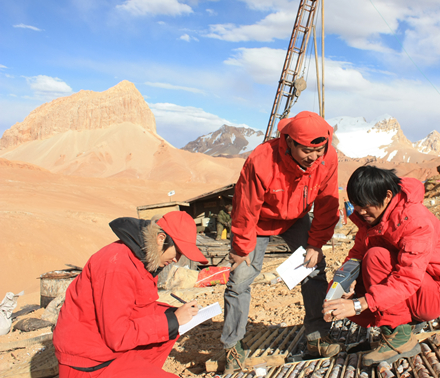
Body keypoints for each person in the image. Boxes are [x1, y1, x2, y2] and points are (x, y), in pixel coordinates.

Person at [222, 111, 340, 373]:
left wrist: (316, 244)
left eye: (319, 150)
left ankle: (316, 337)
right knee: (239, 279)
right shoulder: (261, 160)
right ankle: (233, 347)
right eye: (308, 151)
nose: (314, 157)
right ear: (289, 142)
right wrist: (241, 248)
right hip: (259, 222)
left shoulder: (327, 158)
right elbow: (245, 207)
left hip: (296, 218)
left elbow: (327, 203)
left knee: (314, 269)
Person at [323, 166, 440, 366]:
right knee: (359, 272)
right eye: (356, 205)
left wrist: (358, 304)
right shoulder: (371, 220)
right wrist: (337, 291)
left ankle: (401, 336)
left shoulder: (414, 220)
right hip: (414, 290)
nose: (361, 212)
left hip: (435, 293)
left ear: (387, 196)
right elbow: (354, 258)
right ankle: (391, 332)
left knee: (376, 257)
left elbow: (408, 278)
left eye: (365, 205)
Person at [53, 211, 209, 377]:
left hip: (109, 356)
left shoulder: (143, 260)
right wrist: (172, 321)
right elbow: (118, 335)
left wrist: (173, 314)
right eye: (177, 251)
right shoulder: (117, 265)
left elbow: (138, 308)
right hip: (90, 364)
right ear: (161, 238)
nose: (177, 259)